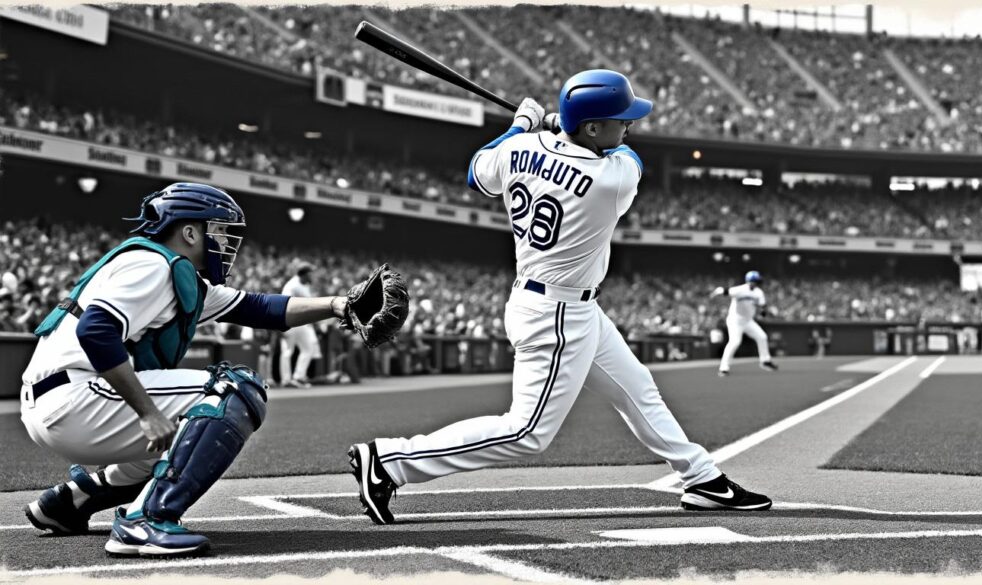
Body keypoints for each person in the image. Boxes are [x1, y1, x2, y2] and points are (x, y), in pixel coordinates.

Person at [347, 70, 771, 525]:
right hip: (556, 314)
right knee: (526, 432)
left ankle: (702, 479)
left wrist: (523, 126)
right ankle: (391, 461)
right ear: (591, 127)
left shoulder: (518, 150)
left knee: (638, 389)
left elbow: (477, 171)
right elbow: (628, 156)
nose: (628, 126)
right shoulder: (609, 179)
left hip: (564, 304)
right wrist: (555, 126)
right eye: (619, 119)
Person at [19, 183, 385, 557]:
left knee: (180, 444)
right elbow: (95, 330)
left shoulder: (177, 273)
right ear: (191, 232)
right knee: (236, 390)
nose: (227, 241)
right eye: (221, 229)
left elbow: (259, 308)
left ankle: (68, 504)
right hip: (76, 395)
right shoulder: (152, 264)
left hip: (63, 398)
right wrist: (147, 412)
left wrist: (341, 305)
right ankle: (144, 520)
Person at [711, 271, 779, 376]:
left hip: (748, 321)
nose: (756, 283)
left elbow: (763, 306)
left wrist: (764, 312)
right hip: (735, 320)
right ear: (750, 280)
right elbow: (724, 291)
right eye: (755, 280)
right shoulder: (740, 289)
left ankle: (765, 361)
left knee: (762, 337)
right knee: (735, 342)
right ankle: (723, 367)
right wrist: (715, 292)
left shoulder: (758, 292)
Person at [279, 262, 322, 388]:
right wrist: (281, 323)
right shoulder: (292, 285)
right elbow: (283, 303)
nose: (312, 275)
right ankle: (286, 380)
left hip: (301, 323)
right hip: (289, 321)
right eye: (310, 273)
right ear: (305, 273)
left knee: (308, 348)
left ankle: (299, 376)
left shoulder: (304, 285)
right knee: (287, 351)